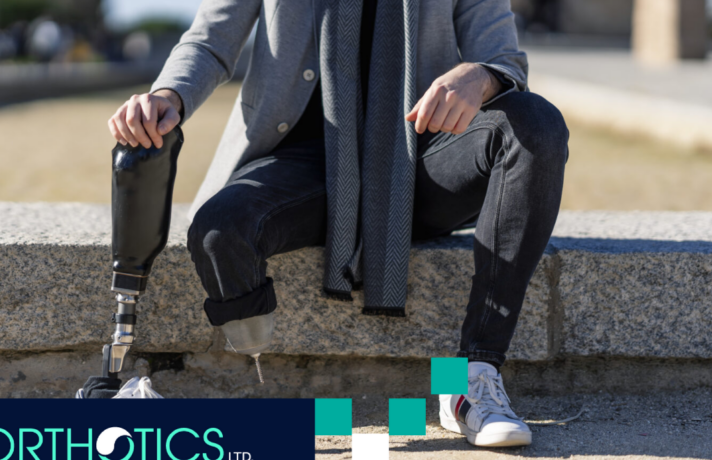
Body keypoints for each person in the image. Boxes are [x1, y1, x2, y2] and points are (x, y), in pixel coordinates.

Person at [108, 0, 568, 448]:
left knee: (537, 124)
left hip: (420, 160)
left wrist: (480, 76)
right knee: (219, 231)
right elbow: (211, 40)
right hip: (300, 162)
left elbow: (503, 60)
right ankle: (258, 393)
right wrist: (167, 95)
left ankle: (471, 378)